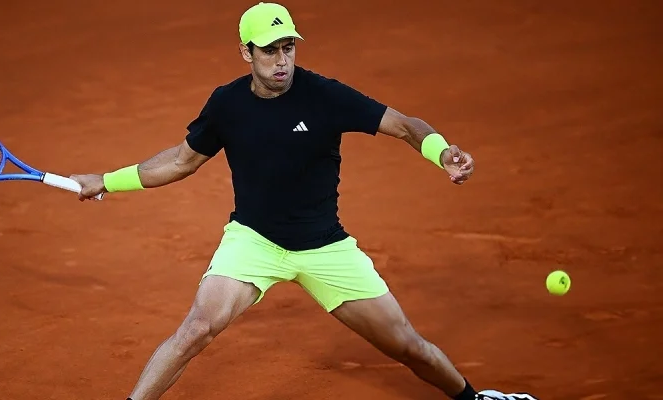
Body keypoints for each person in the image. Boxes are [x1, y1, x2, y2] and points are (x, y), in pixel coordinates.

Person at [70, 3, 538, 400]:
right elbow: (180, 161)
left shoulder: (324, 96)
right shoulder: (227, 104)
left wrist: (443, 152)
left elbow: (405, 126)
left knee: (407, 346)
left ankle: (475, 398)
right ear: (246, 52)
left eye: (288, 47)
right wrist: (106, 181)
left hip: (325, 248)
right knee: (197, 328)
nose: (282, 60)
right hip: (254, 241)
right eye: (269, 50)